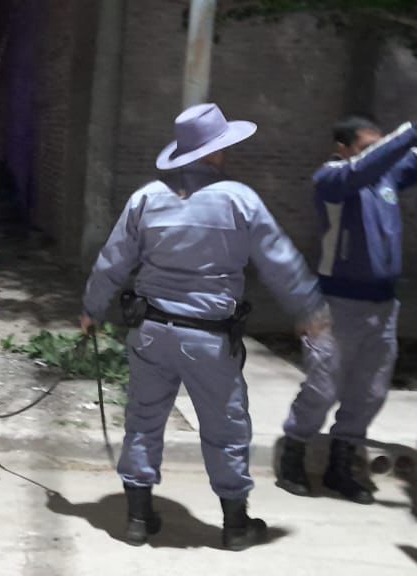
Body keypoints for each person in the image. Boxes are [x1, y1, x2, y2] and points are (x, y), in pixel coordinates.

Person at [81, 103, 329, 551]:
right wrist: (309, 309)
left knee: (143, 419)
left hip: (151, 332)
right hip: (209, 338)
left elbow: (113, 260)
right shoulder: (239, 199)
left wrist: (92, 309)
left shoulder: (146, 199)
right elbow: (280, 261)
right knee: (225, 426)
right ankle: (235, 525)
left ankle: (138, 519)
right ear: (216, 153)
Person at [277, 96, 417, 504]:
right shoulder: (332, 179)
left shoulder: (386, 179)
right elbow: (366, 167)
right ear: (342, 148)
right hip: (336, 304)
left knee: (370, 390)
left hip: (383, 305)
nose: (375, 154)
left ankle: (343, 463)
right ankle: (294, 450)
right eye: (366, 147)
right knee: (323, 387)